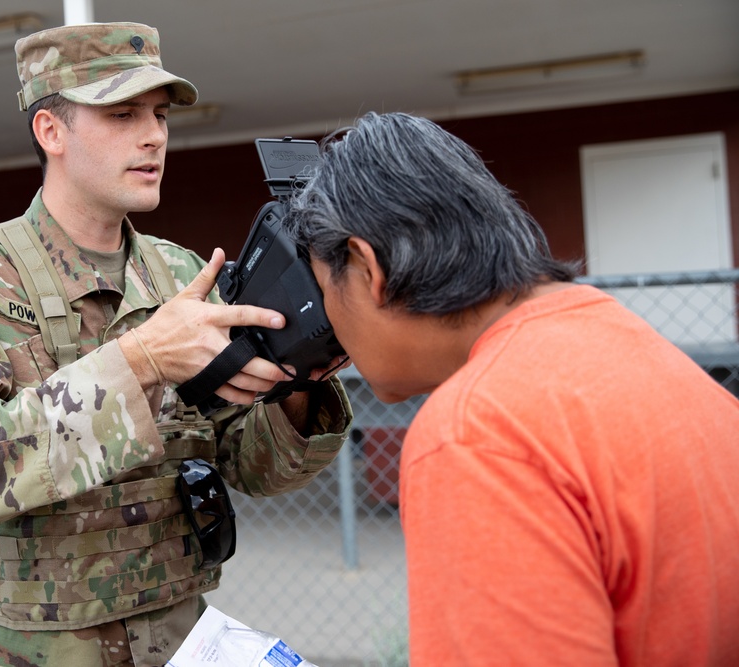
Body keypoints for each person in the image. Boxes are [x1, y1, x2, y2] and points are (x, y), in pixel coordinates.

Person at [0, 22, 351, 667]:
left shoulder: (183, 276)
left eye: (159, 115)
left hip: (180, 642)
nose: (154, 134)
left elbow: (252, 464)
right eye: (122, 113)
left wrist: (302, 368)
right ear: (51, 131)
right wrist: (141, 362)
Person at [284, 112, 739, 666]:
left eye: (321, 287)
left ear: (365, 267)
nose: (327, 323)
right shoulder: (637, 346)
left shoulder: (475, 434)